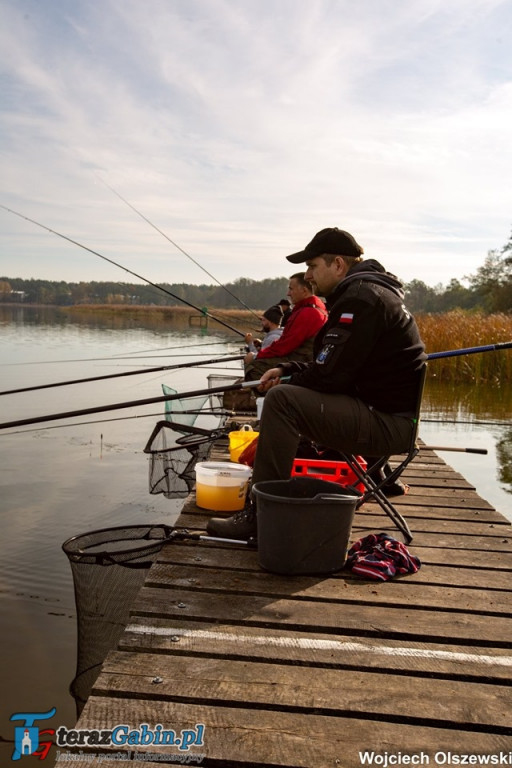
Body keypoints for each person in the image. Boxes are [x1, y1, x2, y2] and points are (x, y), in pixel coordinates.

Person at [207, 227, 426, 539]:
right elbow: (333, 364)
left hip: (386, 423)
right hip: (380, 412)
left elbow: (331, 376)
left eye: (312, 266)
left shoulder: (360, 299)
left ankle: (258, 517)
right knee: (286, 393)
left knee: (282, 401)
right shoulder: (365, 293)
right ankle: (269, 505)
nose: (308, 276)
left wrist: (290, 379)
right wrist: (287, 368)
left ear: (337, 265)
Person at [244, 272, 327, 381]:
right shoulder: (317, 308)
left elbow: (284, 346)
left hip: (303, 361)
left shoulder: (307, 313)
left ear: (304, 290)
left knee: (253, 368)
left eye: (291, 289)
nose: (288, 293)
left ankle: (274, 395)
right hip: (307, 359)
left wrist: (257, 355)